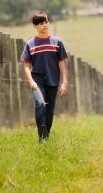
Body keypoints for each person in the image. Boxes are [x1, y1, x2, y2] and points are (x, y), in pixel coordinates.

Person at [20, 11, 69, 142]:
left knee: (49, 111)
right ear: (34, 26)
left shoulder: (57, 42)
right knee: (40, 105)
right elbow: (26, 65)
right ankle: (41, 139)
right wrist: (31, 81)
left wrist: (64, 82)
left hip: (53, 81)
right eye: (41, 23)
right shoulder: (30, 44)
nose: (45, 25)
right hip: (37, 81)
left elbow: (62, 63)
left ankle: (46, 137)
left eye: (46, 22)